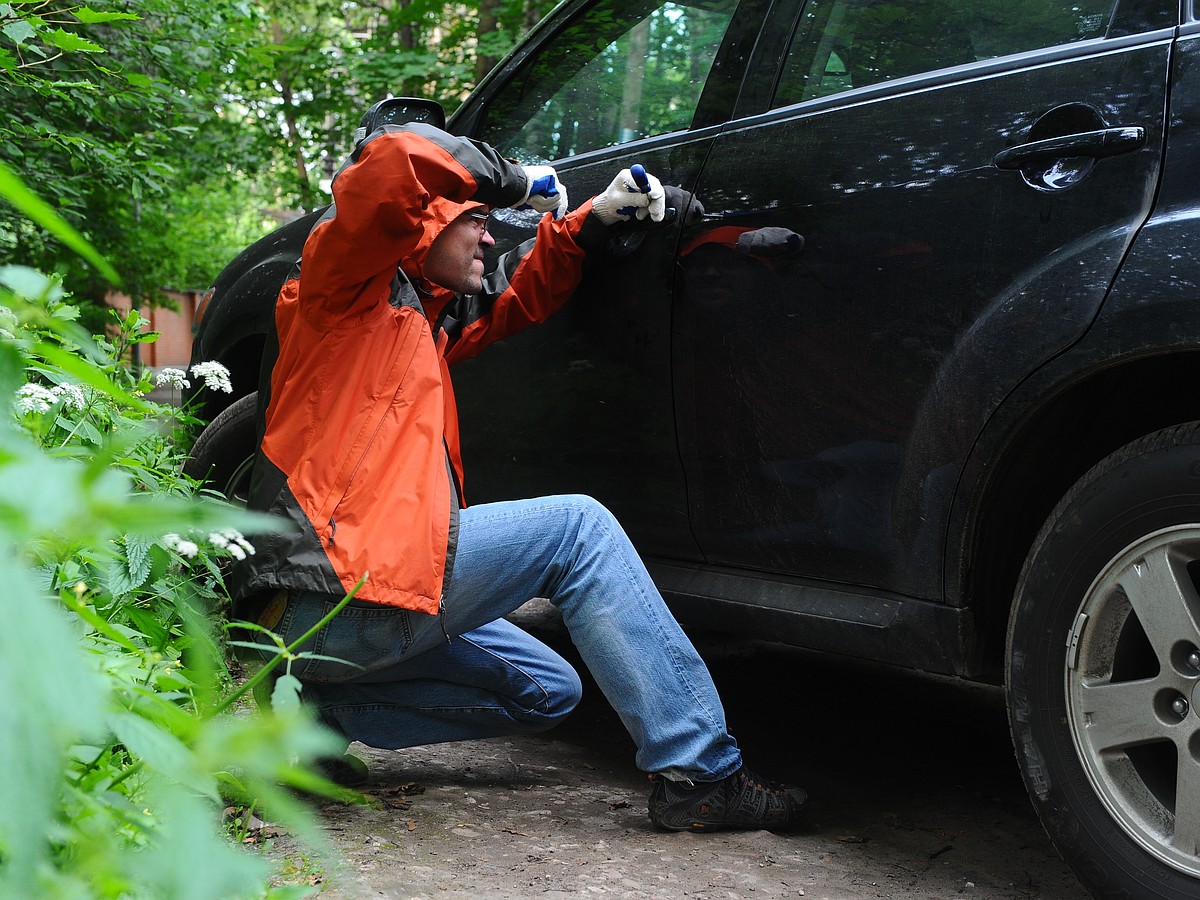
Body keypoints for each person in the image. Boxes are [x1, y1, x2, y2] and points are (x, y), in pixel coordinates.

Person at [231, 118, 808, 833]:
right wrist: (510, 179)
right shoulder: (335, 294)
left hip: (342, 610)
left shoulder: (421, 322)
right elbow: (395, 159)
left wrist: (586, 224)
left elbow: (508, 297)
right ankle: (702, 775)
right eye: (475, 222)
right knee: (580, 529)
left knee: (546, 691)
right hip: (328, 591)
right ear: (419, 229)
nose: (490, 236)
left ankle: (307, 725)